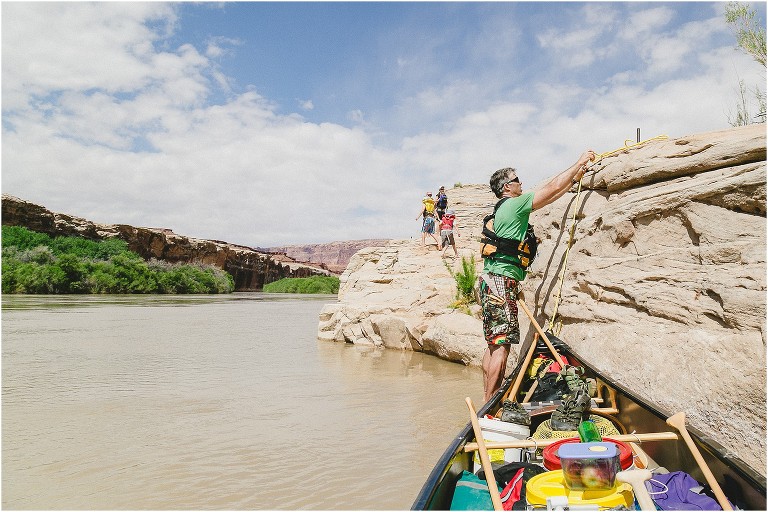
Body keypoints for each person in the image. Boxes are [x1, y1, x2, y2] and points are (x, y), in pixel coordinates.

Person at [479, 150, 595, 403]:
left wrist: (575, 179)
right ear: (507, 186)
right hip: (500, 282)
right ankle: (489, 407)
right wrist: (578, 162)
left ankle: (485, 401)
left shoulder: (502, 208)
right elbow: (551, 189)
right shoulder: (514, 203)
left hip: (492, 281)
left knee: (493, 344)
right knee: (502, 347)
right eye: (518, 179)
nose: (522, 183)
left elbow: (554, 192)